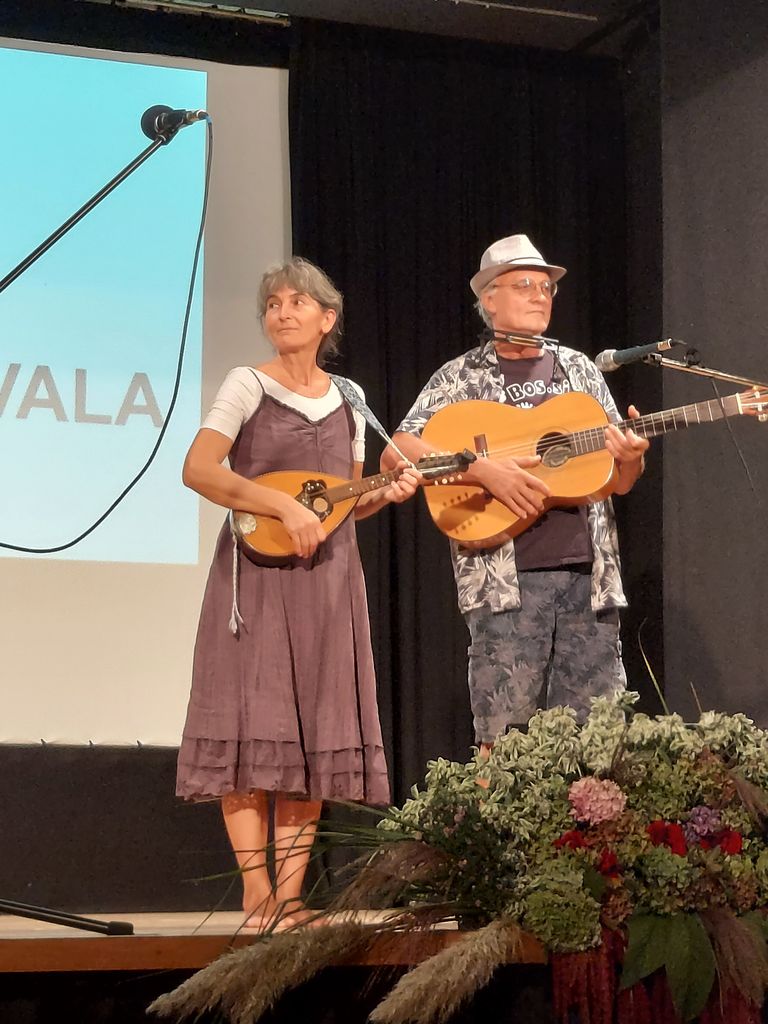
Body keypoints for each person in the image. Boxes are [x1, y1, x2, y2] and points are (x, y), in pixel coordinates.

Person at [176, 257, 420, 929]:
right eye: (273, 304)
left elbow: (344, 501)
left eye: (297, 302)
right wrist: (280, 506)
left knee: (314, 725)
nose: (282, 312)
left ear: (327, 319)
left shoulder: (353, 399)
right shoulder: (247, 384)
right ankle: (256, 894)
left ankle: (290, 895)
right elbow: (199, 469)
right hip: (255, 575)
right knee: (252, 722)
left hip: (329, 579)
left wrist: (388, 494)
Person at [385, 234, 648, 749]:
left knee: (599, 745)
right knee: (503, 742)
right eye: (525, 284)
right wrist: (483, 471)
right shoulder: (461, 377)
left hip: (589, 583)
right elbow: (398, 451)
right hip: (505, 584)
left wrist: (632, 458)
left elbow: (617, 481)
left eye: (547, 287)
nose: (539, 295)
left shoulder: (580, 370)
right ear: (489, 298)